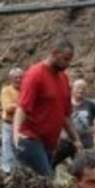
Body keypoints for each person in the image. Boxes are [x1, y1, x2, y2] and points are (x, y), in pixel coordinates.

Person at [14, 37, 80, 177]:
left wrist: (76, 140)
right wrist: (16, 135)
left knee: (42, 186)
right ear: (55, 53)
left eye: (70, 60)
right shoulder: (35, 74)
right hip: (30, 139)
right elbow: (22, 108)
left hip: (49, 143)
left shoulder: (63, 79)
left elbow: (65, 115)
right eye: (65, 59)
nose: (68, 64)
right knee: (47, 181)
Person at [0, 67, 24, 174]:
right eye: (15, 77)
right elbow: (8, 108)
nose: (18, 80)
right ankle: (7, 171)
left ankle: (20, 171)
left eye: (20, 77)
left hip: (23, 126)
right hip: (9, 125)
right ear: (10, 79)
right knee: (8, 147)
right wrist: (22, 105)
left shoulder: (25, 90)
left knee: (21, 148)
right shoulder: (6, 91)